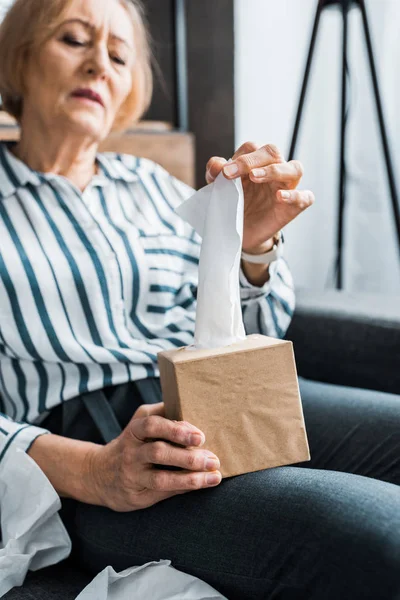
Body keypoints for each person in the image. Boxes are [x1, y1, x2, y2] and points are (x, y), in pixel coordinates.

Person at [0, 0, 398, 598]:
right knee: (378, 532)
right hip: (95, 446)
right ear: (19, 58)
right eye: (75, 40)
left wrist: (251, 245)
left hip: (222, 390)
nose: (99, 67)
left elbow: (255, 326)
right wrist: (95, 471)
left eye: (117, 55)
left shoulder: (151, 187)